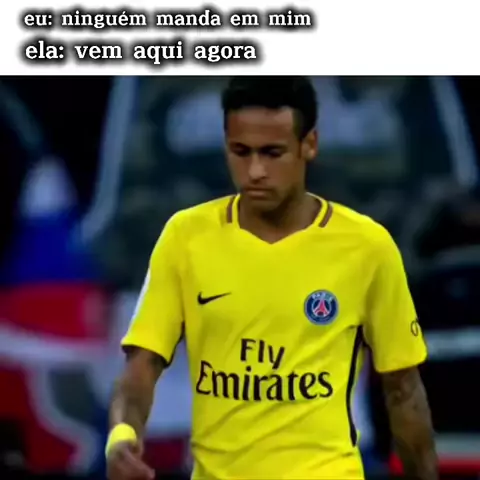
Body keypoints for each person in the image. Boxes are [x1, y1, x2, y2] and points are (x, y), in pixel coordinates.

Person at [106, 76, 437, 480]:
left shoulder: (367, 247)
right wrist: (122, 435)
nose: (255, 171)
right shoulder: (185, 238)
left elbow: (402, 387)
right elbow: (141, 365)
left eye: (272, 153)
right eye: (240, 152)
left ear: (309, 144)